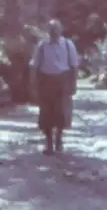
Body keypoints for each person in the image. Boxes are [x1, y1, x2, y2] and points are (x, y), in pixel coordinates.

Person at [30, 19, 79, 155]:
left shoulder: (68, 45)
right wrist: (33, 84)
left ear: (61, 30)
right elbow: (34, 66)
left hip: (62, 80)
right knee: (46, 112)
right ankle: (48, 141)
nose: (54, 31)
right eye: (51, 29)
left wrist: (73, 84)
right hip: (46, 80)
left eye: (56, 28)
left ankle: (59, 138)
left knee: (61, 112)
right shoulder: (42, 46)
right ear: (48, 31)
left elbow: (74, 66)